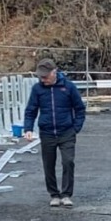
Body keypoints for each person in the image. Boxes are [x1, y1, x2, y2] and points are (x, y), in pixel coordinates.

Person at [23, 58, 86, 208]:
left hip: (67, 132)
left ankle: (66, 194)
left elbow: (80, 109)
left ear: (54, 72)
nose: (43, 79)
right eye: (41, 77)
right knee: (48, 165)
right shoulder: (37, 89)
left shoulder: (68, 87)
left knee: (68, 162)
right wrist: (28, 129)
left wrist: (75, 128)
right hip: (47, 132)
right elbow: (31, 110)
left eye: (45, 76)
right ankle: (54, 194)